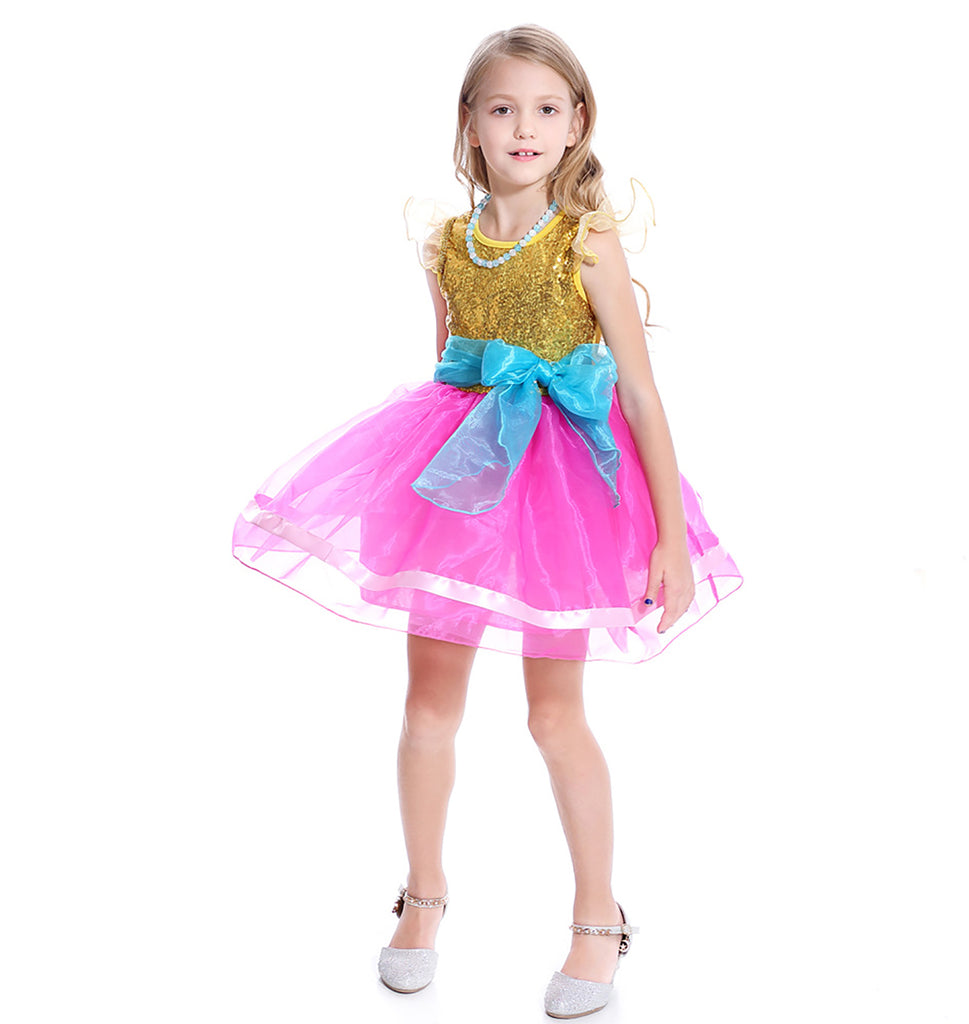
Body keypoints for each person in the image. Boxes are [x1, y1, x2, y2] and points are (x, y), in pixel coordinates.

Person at [232, 24, 742, 1018]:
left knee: (553, 714)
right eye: (503, 107)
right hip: (463, 485)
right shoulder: (444, 243)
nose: (524, 127)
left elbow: (640, 392)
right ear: (469, 122)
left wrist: (668, 537)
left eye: (546, 109)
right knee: (429, 706)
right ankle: (422, 898)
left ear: (577, 123)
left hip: (564, 496)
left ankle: (597, 915)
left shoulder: (585, 239)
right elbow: (449, 372)